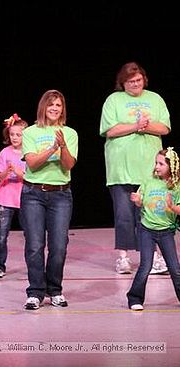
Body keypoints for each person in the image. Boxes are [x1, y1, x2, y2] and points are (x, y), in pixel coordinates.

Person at [99, 61, 171, 275]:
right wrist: (135, 126)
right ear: (123, 83)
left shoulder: (155, 99)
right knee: (124, 214)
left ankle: (154, 257)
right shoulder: (114, 100)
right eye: (130, 81)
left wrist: (146, 125)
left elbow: (165, 127)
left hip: (150, 170)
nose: (135, 84)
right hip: (121, 169)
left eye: (138, 80)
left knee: (150, 213)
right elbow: (109, 130)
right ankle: (123, 257)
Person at [21, 90, 78, 310]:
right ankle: (35, 292)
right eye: (51, 104)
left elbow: (68, 165)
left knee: (59, 246)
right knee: (35, 246)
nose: (55, 108)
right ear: (43, 107)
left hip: (61, 194)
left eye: (59, 105)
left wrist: (62, 146)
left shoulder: (70, 133)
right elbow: (33, 163)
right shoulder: (30, 132)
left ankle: (55, 290)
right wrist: (52, 148)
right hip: (33, 194)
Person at [127, 148, 180, 311]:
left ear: (171, 167)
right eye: (156, 163)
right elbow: (141, 201)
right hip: (146, 230)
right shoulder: (149, 181)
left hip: (166, 232)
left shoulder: (176, 187)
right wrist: (137, 200)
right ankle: (134, 298)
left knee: (175, 269)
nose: (156, 166)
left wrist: (172, 207)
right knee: (145, 266)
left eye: (161, 164)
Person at [0, 113, 28, 279]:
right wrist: (7, 171)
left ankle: (33, 266)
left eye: (18, 134)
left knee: (31, 234)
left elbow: (31, 176)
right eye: (12, 134)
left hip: (26, 198)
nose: (14, 137)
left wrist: (19, 173)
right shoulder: (5, 153)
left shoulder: (30, 152)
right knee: (1, 234)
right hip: (6, 197)